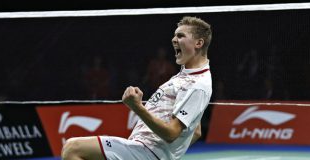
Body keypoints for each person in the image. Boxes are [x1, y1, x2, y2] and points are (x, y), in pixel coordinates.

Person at [61, 16, 213, 160]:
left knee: (72, 148)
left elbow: (172, 133)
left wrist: (137, 107)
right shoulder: (186, 76)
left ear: (198, 43)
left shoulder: (197, 84)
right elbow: (196, 131)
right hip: (145, 150)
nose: (174, 39)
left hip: (147, 151)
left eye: (180, 36)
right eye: (174, 35)